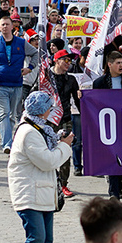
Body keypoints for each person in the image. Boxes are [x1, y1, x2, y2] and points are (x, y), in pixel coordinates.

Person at [3, 90, 74, 243]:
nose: (51, 111)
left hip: (42, 192)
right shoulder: (29, 132)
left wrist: (58, 140)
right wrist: (65, 146)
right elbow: (47, 161)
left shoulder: (40, 129)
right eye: (49, 108)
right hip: (29, 193)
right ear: (42, 110)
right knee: (36, 239)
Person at [91, 50, 122, 201]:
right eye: (118, 63)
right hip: (108, 124)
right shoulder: (99, 83)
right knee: (112, 156)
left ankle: (119, 186)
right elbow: (94, 103)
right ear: (109, 64)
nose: (121, 65)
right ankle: (114, 191)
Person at [0, 15, 30, 154]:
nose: (4, 27)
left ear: (12, 26)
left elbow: (35, 54)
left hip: (16, 84)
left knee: (12, 116)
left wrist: (30, 68)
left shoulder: (21, 43)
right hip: (0, 84)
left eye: (7, 24)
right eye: (2, 24)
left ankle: (9, 139)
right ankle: (7, 144)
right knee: (3, 114)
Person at [49, 49, 82, 195]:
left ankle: (63, 184)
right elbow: (34, 94)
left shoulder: (71, 79)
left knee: (64, 152)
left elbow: (77, 101)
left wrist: (86, 115)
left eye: (70, 61)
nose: (69, 63)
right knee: (48, 151)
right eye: (66, 60)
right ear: (57, 61)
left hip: (65, 119)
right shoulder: (46, 78)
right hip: (48, 120)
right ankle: (49, 182)